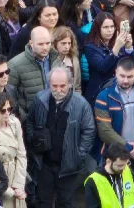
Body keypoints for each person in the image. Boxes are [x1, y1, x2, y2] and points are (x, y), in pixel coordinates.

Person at [24, 67, 93, 208]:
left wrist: (78, 155)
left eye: (62, 86)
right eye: (54, 86)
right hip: (44, 163)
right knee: (43, 201)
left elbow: (89, 131)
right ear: (49, 84)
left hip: (68, 166)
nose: (58, 90)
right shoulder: (40, 99)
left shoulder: (81, 104)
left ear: (70, 84)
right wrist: (33, 141)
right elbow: (30, 120)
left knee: (65, 202)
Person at [93, 56, 134, 176]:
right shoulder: (104, 96)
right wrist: (127, 148)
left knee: (132, 190)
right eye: (122, 76)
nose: (126, 80)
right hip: (113, 155)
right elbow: (104, 130)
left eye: (130, 76)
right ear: (116, 72)